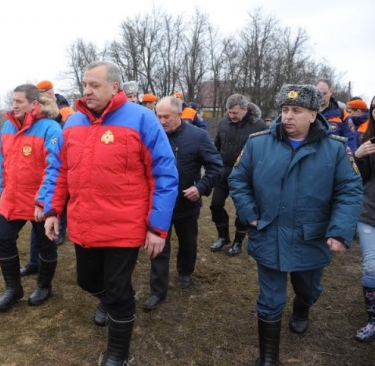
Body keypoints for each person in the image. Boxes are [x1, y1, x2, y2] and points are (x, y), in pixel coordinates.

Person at [41, 61, 178, 365]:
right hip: (85, 223)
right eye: (85, 85)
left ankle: (118, 352)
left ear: (115, 87)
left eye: (94, 85)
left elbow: (165, 174)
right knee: (87, 281)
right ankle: (113, 298)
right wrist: (52, 210)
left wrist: (157, 228)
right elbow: (59, 169)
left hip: (124, 225)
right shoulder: (73, 123)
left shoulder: (142, 119)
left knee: (117, 292)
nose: (87, 91)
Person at [228, 84, 362, 366]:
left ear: (313, 114)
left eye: (296, 111)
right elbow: (238, 179)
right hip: (269, 232)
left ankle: (302, 309)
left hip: (310, 238)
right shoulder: (258, 143)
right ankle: (268, 358)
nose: (288, 116)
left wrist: (339, 230)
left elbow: (349, 191)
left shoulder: (335, 149)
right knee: (270, 299)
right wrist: (249, 213)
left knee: (308, 290)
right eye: (285, 109)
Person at [142, 96, 223, 311]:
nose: (161, 121)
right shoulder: (151, 136)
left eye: (166, 116)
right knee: (158, 247)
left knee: (188, 241)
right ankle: (157, 290)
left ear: (180, 115)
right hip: (158, 205)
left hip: (186, 203)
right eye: (157, 116)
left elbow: (216, 166)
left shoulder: (198, 136)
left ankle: (185, 272)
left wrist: (201, 187)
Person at [0, 84, 62, 311]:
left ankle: (44, 286)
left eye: (19, 101)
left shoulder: (50, 128)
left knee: (45, 244)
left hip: (39, 199)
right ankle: (13, 288)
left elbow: (55, 167)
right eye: (12, 101)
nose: (14, 106)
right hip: (12, 197)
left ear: (34, 104)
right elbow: (2, 160)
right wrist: (2, 187)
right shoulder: (6, 126)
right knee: (3, 240)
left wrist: (44, 201)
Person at [20, 81, 72, 277]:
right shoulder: (33, 113)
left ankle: (55, 244)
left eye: (45, 91)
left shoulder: (66, 112)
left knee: (55, 215)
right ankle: (35, 261)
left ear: (52, 91)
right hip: (40, 176)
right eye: (40, 92)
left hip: (59, 169)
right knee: (38, 224)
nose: (44, 94)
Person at [209, 94, 267, 256]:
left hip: (245, 177)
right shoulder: (223, 123)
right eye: (229, 112)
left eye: (235, 113)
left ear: (245, 109)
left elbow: (264, 153)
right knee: (215, 205)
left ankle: (238, 241)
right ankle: (223, 237)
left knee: (242, 210)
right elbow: (216, 147)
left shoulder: (259, 126)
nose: (231, 116)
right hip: (223, 173)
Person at [352, 92, 375, 343]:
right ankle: (373, 320)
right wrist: (358, 156)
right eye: (374, 106)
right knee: (371, 266)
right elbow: (359, 179)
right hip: (371, 211)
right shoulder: (368, 139)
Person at [315, 78, 357, 153]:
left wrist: (350, 160)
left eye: (324, 93)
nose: (321, 97)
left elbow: (350, 140)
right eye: (318, 93)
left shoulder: (341, 114)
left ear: (331, 92)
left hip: (334, 157)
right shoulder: (308, 113)